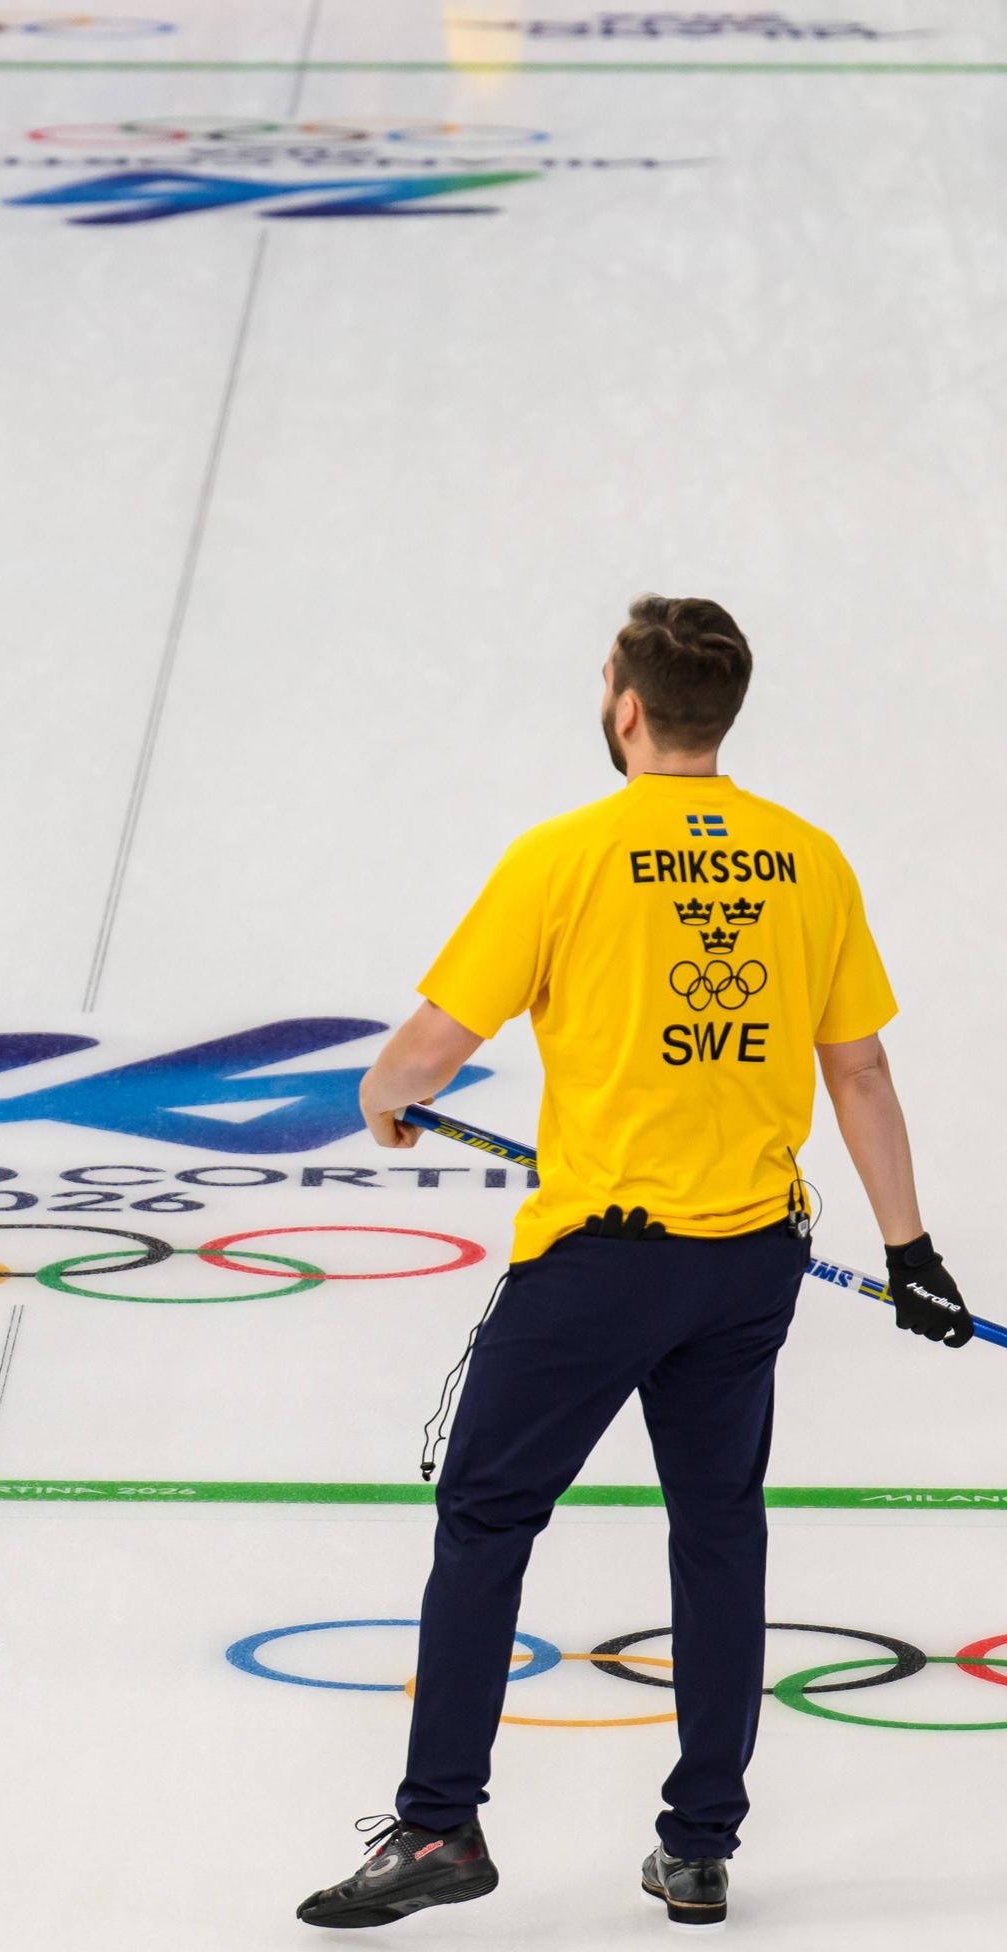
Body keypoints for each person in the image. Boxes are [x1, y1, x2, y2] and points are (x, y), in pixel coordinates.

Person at [298, 597, 974, 1932]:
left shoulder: (566, 854)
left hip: (601, 1268)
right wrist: (913, 1248)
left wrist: (384, 1093)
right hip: (749, 1265)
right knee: (718, 1531)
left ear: (624, 707)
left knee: (487, 1516)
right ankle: (700, 1844)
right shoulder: (808, 859)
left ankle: (439, 1827)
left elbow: (431, 1046)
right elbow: (860, 1069)